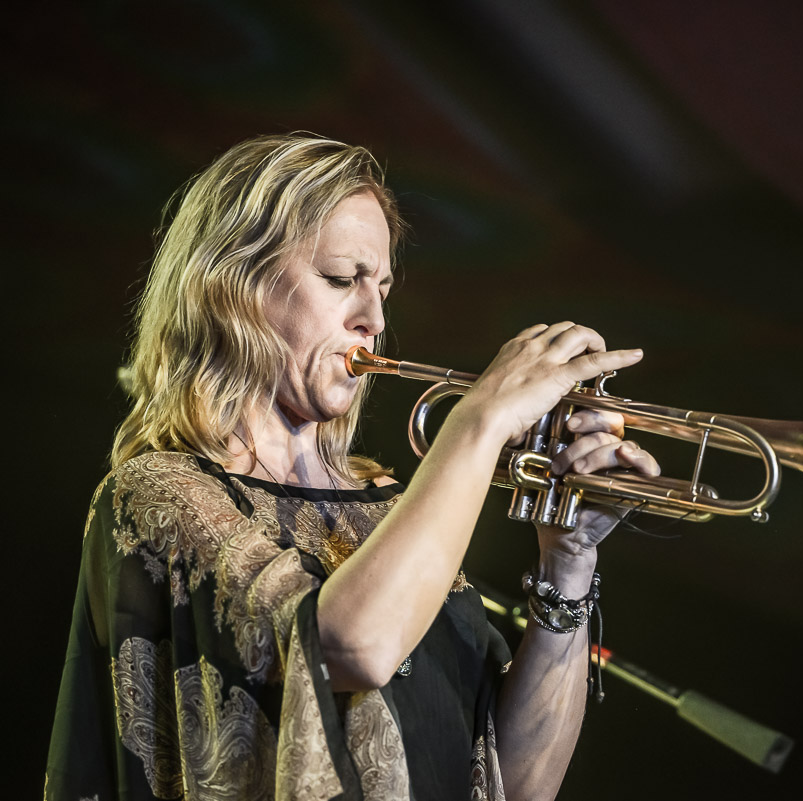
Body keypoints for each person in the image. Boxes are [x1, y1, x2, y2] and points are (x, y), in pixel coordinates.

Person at [45, 133, 660, 801]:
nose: (374, 316)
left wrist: (567, 562)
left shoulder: (392, 507)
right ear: (236, 285)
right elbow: (347, 647)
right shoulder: (159, 492)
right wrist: (480, 421)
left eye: (383, 285)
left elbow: (520, 784)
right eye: (343, 278)